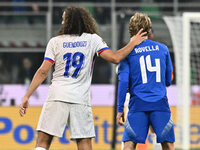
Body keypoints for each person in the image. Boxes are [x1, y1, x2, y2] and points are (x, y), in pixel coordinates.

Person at [19, 7, 147, 150]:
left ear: (69, 22)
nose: (62, 22)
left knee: (43, 143)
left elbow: (43, 71)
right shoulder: (92, 39)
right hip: (80, 98)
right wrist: (133, 43)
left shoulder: (55, 42)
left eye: (63, 19)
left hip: (57, 96)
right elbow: (115, 58)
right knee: (84, 145)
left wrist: (27, 96)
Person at [116, 12, 175, 150]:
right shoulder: (163, 49)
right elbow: (168, 80)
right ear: (149, 29)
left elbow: (123, 82)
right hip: (160, 103)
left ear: (131, 30)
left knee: (129, 145)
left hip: (138, 104)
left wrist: (120, 109)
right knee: (168, 145)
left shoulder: (127, 53)